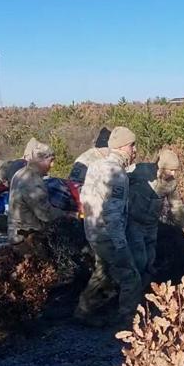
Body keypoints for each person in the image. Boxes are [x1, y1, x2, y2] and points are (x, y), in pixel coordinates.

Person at [75, 127, 138, 327]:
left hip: (92, 230)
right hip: (108, 234)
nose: (134, 150)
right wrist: (120, 244)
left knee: (102, 271)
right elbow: (112, 212)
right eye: (132, 145)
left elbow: (84, 197)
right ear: (122, 147)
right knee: (131, 277)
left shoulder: (95, 165)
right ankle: (128, 323)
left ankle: (83, 311)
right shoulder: (117, 173)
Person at [127, 149, 184, 286]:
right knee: (139, 258)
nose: (173, 174)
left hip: (151, 225)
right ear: (162, 166)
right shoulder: (140, 170)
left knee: (150, 259)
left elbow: (176, 205)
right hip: (133, 222)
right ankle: (130, 290)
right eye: (171, 170)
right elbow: (118, 179)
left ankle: (143, 291)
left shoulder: (171, 183)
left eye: (175, 170)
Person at [7, 138, 66, 252]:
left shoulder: (20, 173)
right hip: (28, 239)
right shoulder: (32, 181)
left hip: (17, 235)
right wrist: (68, 215)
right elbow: (45, 214)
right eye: (51, 160)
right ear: (41, 160)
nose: (52, 165)